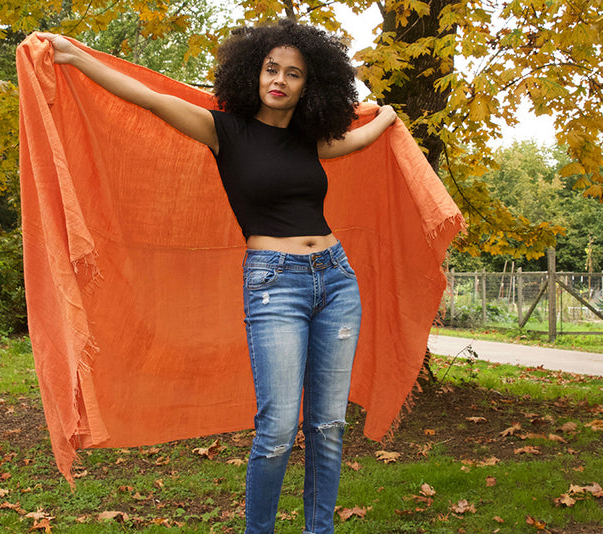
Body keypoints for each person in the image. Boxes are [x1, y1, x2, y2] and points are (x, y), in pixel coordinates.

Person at [37, 18, 397, 534]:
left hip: (338, 280)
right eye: (271, 68)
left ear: (309, 85)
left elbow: (356, 139)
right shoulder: (223, 130)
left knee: (329, 425)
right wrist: (76, 57)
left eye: (293, 74)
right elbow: (148, 97)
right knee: (276, 429)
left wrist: (385, 116)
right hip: (275, 285)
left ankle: (320, 530)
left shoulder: (308, 141)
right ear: (252, 72)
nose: (279, 80)